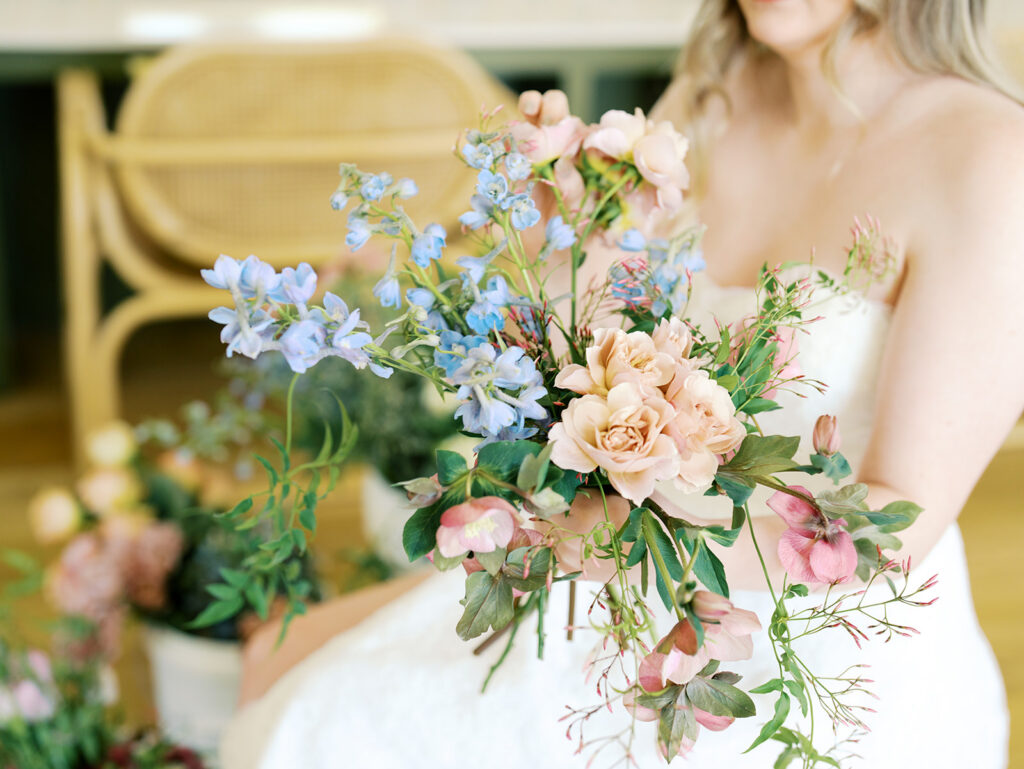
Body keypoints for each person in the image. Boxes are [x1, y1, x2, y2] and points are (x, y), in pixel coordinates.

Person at [220, 1, 1024, 766]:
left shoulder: (989, 157)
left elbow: (892, 523)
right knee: (280, 665)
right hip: (604, 566)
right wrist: (566, 219)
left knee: (320, 717)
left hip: (788, 654)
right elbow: (600, 354)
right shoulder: (715, 99)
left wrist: (593, 541)